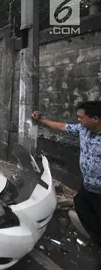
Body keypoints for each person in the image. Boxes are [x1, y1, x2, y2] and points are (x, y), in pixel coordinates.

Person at [32, 101, 101, 248]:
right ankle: (97, 239)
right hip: (88, 186)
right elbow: (62, 126)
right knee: (81, 204)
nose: (78, 120)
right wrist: (41, 120)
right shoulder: (83, 129)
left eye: (81, 117)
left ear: (95, 118)